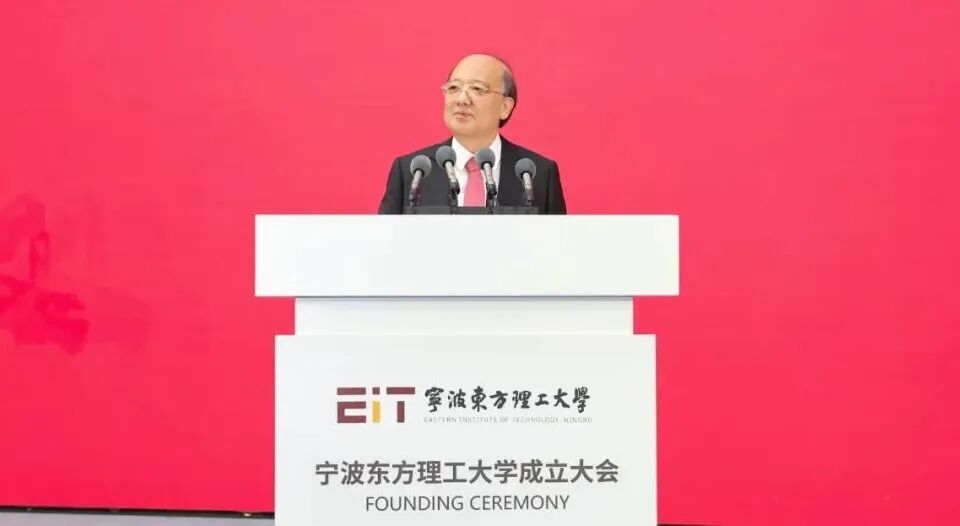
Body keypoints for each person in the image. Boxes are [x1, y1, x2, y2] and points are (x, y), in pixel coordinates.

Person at [377, 53, 567, 214]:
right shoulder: (413, 172)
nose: (462, 99)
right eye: (454, 88)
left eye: (477, 89)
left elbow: (557, 243)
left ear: (505, 107)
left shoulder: (537, 174)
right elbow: (386, 241)